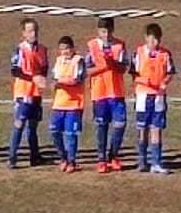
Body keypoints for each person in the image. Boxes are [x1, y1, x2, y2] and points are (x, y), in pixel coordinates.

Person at [86, 17, 130, 173]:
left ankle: (114, 155)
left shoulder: (120, 45)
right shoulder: (91, 46)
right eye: (103, 32)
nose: (106, 35)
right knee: (101, 126)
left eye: (109, 31)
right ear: (98, 31)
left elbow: (123, 68)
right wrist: (104, 66)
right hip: (99, 92)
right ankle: (101, 159)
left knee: (120, 124)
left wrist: (113, 64)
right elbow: (87, 70)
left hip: (116, 91)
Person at [133, 22, 174, 175]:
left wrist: (164, 82)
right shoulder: (139, 53)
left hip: (158, 97)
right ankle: (142, 161)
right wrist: (144, 81)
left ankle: (156, 162)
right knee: (142, 129)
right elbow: (133, 74)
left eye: (155, 40)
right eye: (150, 40)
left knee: (156, 129)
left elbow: (170, 73)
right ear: (146, 39)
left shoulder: (165, 54)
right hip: (143, 95)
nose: (153, 43)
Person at [8, 19, 49, 169]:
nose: (33, 33)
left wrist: (41, 79)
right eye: (30, 31)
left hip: (36, 92)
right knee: (19, 123)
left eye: (35, 30)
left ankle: (35, 156)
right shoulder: (19, 49)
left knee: (33, 125)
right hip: (23, 92)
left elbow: (44, 68)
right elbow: (15, 70)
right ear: (24, 33)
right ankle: (12, 157)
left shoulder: (43, 49)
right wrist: (33, 78)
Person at [49, 36, 87, 173]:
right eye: (62, 49)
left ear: (72, 49)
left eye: (66, 49)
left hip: (74, 104)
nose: (64, 52)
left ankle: (71, 161)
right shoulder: (58, 61)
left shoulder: (79, 61)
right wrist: (60, 81)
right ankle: (63, 158)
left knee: (71, 135)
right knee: (54, 131)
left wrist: (60, 82)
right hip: (59, 103)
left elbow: (77, 80)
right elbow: (53, 78)